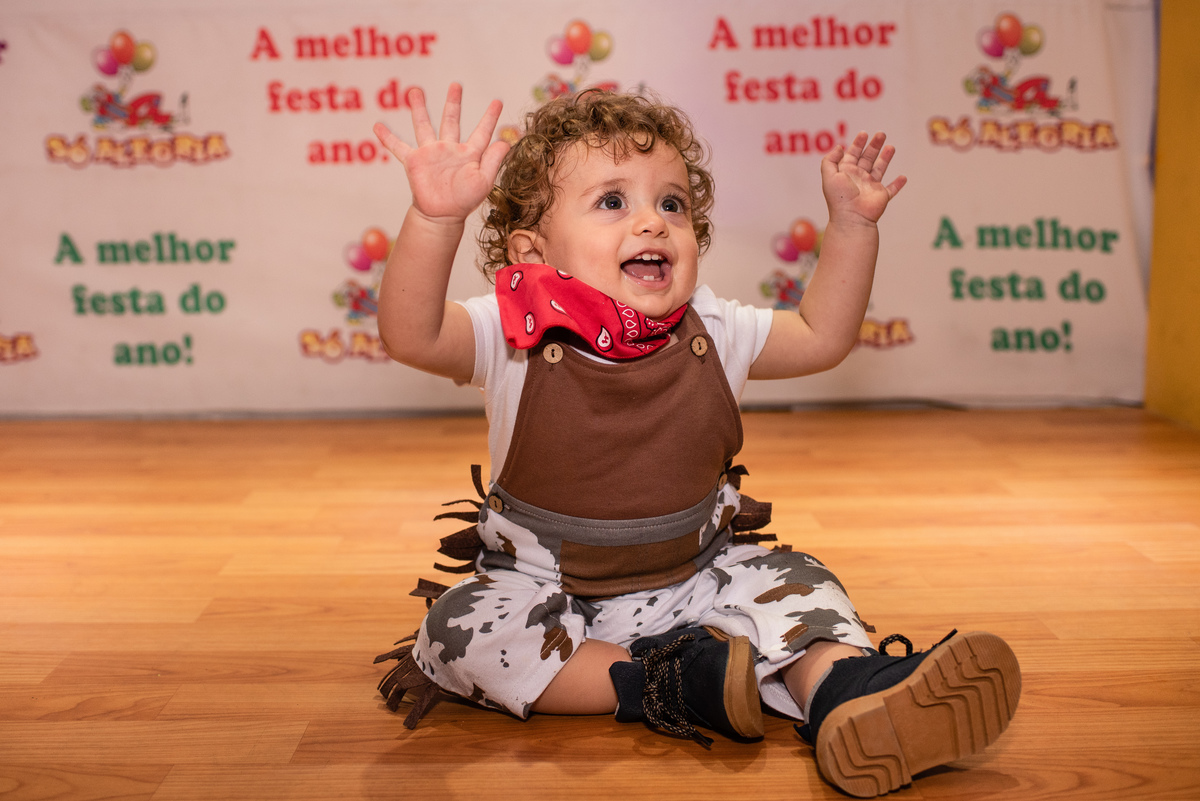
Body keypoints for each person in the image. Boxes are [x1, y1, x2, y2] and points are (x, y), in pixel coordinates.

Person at [371, 83, 1020, 798]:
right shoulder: (512, 333)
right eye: (613, 201)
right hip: (547, 587)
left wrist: (853, 227)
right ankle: (660, 684)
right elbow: (412, 333)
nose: (653, 221)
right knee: (458, 629)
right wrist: (434, 219)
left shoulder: (712, 329)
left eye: (672, 204)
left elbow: (823, 335)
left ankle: (846, 688)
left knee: (798, 584)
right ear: (535, 248)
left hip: (696, 572)